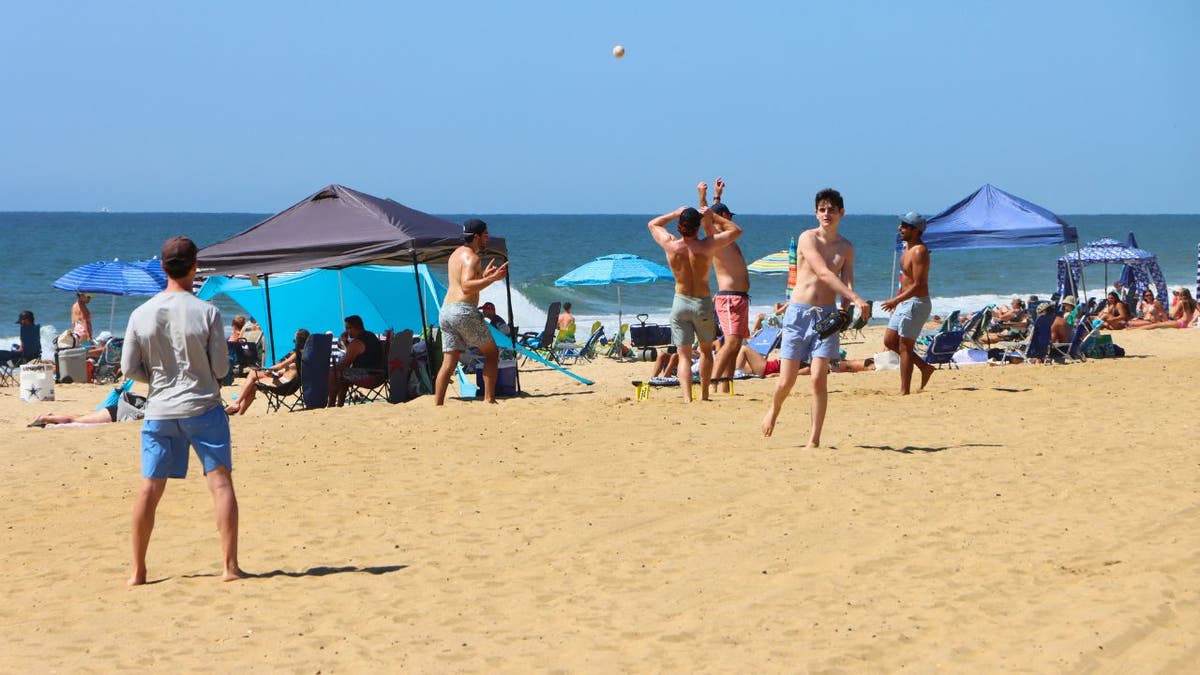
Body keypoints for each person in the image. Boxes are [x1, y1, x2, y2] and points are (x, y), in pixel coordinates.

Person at [120, 236, 243, 585]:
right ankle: (229, 567)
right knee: (220, 484)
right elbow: (220, 369)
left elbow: (129, 368)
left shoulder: (140, 313)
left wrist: (158, 380)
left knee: (149, 488)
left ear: (162, 267)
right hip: (202, 405)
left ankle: (138, 571)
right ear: (195, 267)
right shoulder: (207, 312)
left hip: (160, 409)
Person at [761, 188, 870, 446]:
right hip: (798, 314)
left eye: (832, 209)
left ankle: (814, 439)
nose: (827, 214)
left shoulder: (846, 247)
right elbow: (822, 273)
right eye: (822, 209)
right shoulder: (806, 238)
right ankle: (774, 410)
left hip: (827, 317)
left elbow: (847, 282)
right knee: (786, 380)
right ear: (816, 212)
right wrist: (855, 298)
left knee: (818, 376)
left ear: (841, 212)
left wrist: (847, 308)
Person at [647, 205, 743, 402]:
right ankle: (705, 394)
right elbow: (736, 231)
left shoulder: (671, 245)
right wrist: (713, 215)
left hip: (680, 302)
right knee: (706, 351)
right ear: (698, 227)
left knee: (683, 356)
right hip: (701, 303)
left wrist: (674, 213)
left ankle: (687, 397)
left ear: (680, 226)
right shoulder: (708, 245)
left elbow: (653, 224)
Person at [434, 218, 509, 405]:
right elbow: (467, 287)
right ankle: (489, 400)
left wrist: (484, 276)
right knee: (491, 353)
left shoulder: (455, 255)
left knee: (449, 361)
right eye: (485, 235)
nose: (487, 239)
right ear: (476, 237)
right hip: (463, 310)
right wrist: (493, 279)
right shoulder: (472, 258)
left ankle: (438, 404)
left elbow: (461, 284)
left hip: (446, 311)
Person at [698, 179, 751, 394]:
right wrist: (703, 197)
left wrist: (717, 197)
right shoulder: (715, 239)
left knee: (736, 345)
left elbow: (710, 215)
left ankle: (725, 387)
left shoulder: (724, 237)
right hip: (729, 298)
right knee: (730, 343)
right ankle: (709, 386)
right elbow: (705, 218)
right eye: (727, 216)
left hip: (740, 297)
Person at [881, 212, 935, 395]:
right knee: (889, 341)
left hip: (916, 302)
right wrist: (899, 299)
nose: (900, 228)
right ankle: (924, 367)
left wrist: (896, 300)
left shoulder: (920, 251)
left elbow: (919, 284)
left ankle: (905, 390)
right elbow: (906, 280)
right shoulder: (907, 249)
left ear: (915, 230)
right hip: (905, 302)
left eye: (904, 225)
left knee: (905, 346)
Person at [225, 329, 309, 415]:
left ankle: (237, 403)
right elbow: (293, 368)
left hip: (285, 385)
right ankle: (239, 411)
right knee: (253, 380)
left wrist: (268, 369)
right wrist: (281, 371)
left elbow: (281, 365)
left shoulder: (297, 354)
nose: (294, 343)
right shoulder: (307, 354)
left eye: (294, 340)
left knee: (253, 377)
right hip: (288, 382)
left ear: (299, 341)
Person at [328, 315, 384, 407]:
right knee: (341, 375)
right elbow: (352, 355)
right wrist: (346, 343)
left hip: (369, 376)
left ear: (353, 328)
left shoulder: (357, 342)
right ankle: (339, 405)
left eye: (347, 328)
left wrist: (330, 369)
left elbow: (345, 364)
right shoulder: (370, 335)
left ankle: (331, 405)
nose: (346, 331)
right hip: (378, 374)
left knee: (333, 373)